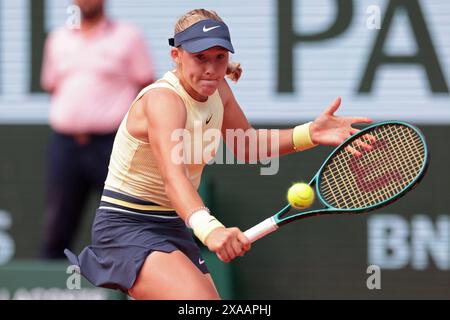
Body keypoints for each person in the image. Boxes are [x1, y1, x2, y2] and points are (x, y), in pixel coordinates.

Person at [64, 8, 372, 299]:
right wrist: (210, 230)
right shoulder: (163, 100)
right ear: (177, 56)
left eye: (220, 57)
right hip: (127, 225)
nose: (211, 70)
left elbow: (247, 145)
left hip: (172, 224)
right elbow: (174, 177)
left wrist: (310, 134)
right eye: (200, 58)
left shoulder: (219, 90)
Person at [40, 0, 155, 259]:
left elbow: (147, 89)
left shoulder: (128, 37)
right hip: (66, 144)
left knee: (124, 218)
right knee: (57, 223)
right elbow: (52, 85)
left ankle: (134, 286)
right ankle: (51, 289)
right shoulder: (57, 39)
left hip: (114, 144)